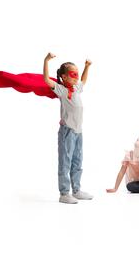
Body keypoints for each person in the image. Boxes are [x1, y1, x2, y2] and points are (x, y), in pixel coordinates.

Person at [43, 52, 93, 204]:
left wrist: (87, 67)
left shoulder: (76, 88)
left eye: (77, 74)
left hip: (79, 131)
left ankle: (76, 190)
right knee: (65, 162)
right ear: (64, 77)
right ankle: (64, 193)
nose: (76, 77)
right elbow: (46, 80)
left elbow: (83, 80)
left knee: (77, 161)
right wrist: (46, 61)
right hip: (68, 132)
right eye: (73, 74)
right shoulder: (61, 90)